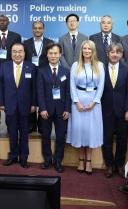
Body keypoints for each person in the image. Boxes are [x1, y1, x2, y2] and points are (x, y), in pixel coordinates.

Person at [66, 40, 105, 175]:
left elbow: (101, 86)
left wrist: (94, 102)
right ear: (81, 50)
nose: (87, 51)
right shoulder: (75, 65)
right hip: (78, 103)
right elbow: (71, 85)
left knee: (90, 133)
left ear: (93, 51)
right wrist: (76, 102)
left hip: (93, 103)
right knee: (80, 132)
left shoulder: (99, 65)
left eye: (89, 49)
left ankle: (89, 161)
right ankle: (80, 160)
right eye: (85, 48)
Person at [0, 43, 37, 168]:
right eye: (14, 51)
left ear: (24, 53)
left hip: (26, 105)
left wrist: (34, 104)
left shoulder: (31, 67)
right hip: (10, 105)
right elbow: (0, 86)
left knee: (24, 133)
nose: (17, 54)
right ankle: (13, 156)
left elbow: (34, 88)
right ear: (11, 53)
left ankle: (24, 158)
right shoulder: (4, 66)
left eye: (20, 51)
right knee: (12, 132)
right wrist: (1, 102)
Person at [37, 43, 71, 173]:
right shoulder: (41, 70)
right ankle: (47, 159)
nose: (53, 56)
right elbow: (39, 92)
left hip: (62, 110)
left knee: (60, 136)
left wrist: (67, 109)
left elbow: (68, 93)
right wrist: (43, 108)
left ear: (60, 55)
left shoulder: (66, 71)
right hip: (46, 109)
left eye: (56, 53)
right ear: (47, 55)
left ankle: (58, 160)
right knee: (45, 135)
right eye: (50, 53)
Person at [101, 42, 128, 178]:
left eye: (117, 52)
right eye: (112, 52)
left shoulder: (127, 71)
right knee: (106, 139)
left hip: (122, 111)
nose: (115, 54)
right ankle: (109, 165)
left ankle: (119, 165)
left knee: (122, 140)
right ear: (108, 53)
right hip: (105, 110)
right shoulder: (100, 69)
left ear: (121, 55)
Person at [23, 21, 54, 133]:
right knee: (30, 98)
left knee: (43, 98)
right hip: (29, 75)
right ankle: (31, 124)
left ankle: (41, 124)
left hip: (45, 74)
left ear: (43, 30)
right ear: (32, 29)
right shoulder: (26, 43)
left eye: (40, 28)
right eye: (35, 28)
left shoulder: (49, 43)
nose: (37, 30)